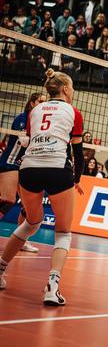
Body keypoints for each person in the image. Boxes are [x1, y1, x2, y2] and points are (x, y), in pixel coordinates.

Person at [0, 69, 85, 306]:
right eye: (72, 87)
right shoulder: (73, 112)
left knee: (31, 223)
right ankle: (52, 288)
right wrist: (77, 178)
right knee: (63, 232)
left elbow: (30, 140)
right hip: (57, 169)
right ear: (66, 89)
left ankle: (0, 269)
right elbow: (78, 153)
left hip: (29, 169)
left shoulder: (35, 111)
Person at [0, 92, 47, 254]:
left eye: (45, 102)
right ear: (32, 103)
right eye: (40, 101)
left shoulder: (39, 121)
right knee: (7, 200)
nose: (43, 104)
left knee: (29, 207)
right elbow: (24, 141)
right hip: (10, 163)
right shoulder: (23, 118)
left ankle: (21, 241)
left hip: (25, 165)